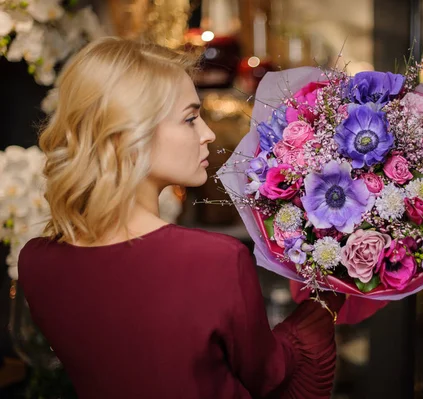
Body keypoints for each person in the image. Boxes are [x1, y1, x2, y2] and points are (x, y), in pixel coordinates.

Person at [17, 37, 344, 399]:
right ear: (128, 138)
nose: (207, 134)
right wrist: (322, 305)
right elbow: (268, 374)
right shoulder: (214, 260)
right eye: (190, 118)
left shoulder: (35, 261)